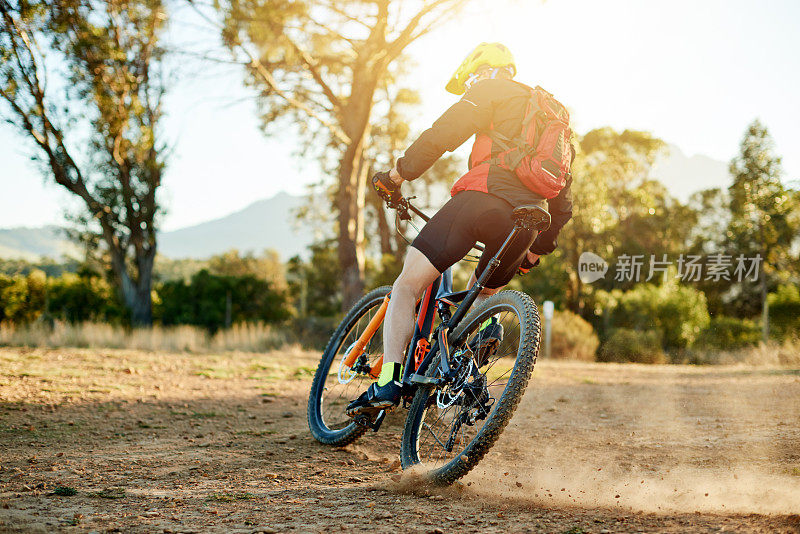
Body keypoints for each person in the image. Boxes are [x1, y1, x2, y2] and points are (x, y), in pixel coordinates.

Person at [346, 42, 574, 415]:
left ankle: (387, 381)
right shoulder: (552, 121)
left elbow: (442, 135)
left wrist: (396, 175)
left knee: (406, 285)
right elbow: (563, 202)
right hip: (529, 221)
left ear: (484, 71)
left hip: (481, 200)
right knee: (483, 295)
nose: (470, 86)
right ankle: (467, 362)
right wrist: (535, 251)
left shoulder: (490, 91)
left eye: (470, 79)